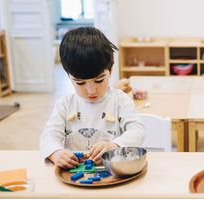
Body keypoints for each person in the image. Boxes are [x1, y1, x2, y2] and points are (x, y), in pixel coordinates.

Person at [40, 27, 145, 168]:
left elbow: (138, 130)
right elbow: (49, 135)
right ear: (68, 75)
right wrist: (56, 153)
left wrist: (115, 145)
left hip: (112, 171)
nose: (91, 90)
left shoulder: (119, 100)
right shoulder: (65, 104)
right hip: (75, 174)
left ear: (111, 70)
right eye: (80, 83)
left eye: (99, 80)